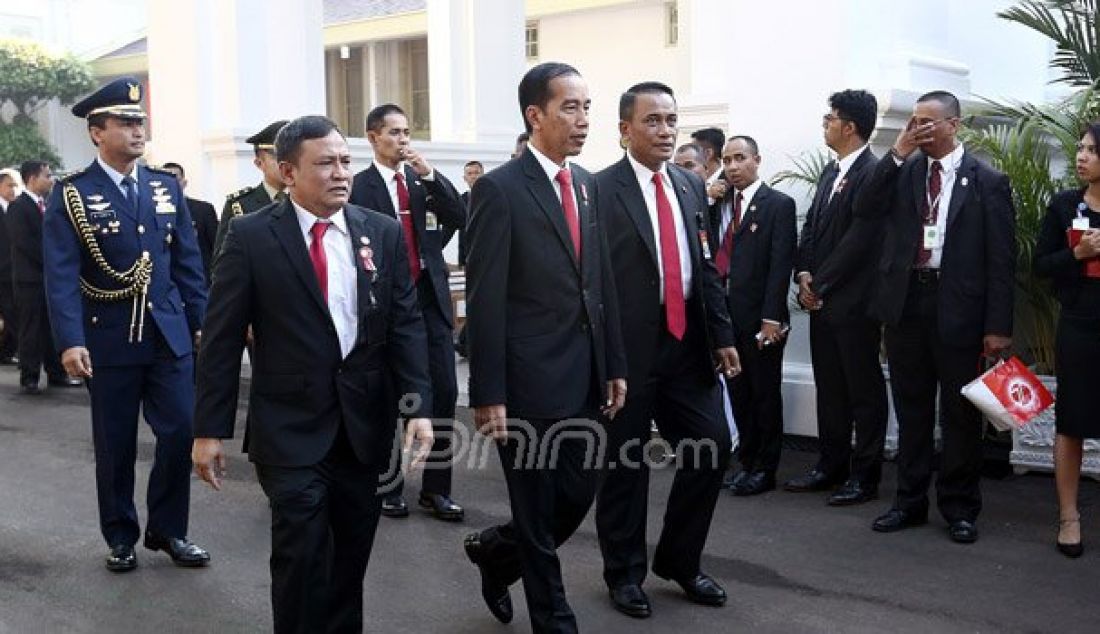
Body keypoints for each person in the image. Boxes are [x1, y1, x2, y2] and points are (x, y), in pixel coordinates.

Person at [192, 115, 435, 631]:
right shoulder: (252, 236)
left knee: (349, 559)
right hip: (289, 428)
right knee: (301, 555)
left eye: (345, 161)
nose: (340, 173)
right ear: (287, 171)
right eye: (324, 163)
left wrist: (418, 406)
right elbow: (221, 337)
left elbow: (406, 325)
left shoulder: (381, 233)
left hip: (363, 428)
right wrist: (209, 430)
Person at [463, 61, 627, 634]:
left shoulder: (586, 184)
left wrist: (613, 365)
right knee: (535, 512)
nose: (583, 120)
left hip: (584, 377)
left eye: (587, 107)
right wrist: (488, 393)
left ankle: (494, 552)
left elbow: (599, 282)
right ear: (535, 115)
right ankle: (553, 620)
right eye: (570, 108)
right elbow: (485, 299)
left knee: (575, 497)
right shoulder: (499, 191)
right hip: (525, 382)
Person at [42, 77, 209, 571]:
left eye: (141, 122)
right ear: (97, 132)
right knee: (116, 444)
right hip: (107, 337)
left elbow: (187, 265)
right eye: (126, 123)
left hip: (167, 334)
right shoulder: (72, 194)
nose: (138, 131)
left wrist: (202, 323)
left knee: (179, 432)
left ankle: (169, 529)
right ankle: (120, 534)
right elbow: (61, 274)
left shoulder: (162, 186)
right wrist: (70, 340)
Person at [595, 81, 739, 619]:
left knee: (712, 444)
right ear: (625, 129)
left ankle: (679, 560)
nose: (664, 130)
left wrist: (722, 335)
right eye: (651, 120)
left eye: (670, 120)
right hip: (628, 355)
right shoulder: (599, 190)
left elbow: (704, 267)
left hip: (686, 346)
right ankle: (624, 574)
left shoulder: (689, 185)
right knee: (625, 465)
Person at [858, 91, 1015, 544]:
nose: (920, 129)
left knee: (960, 414)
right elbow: (864, 207)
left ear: (955, 125)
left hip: (960, 309)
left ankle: (960, 507)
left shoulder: (987, 181)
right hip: (907, 304)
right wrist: (898, 151)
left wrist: (998, 327)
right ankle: (908, 501)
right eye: (914, 121)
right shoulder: (903, 172)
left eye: (929, 122)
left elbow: (1000, 261)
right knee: (911, 409)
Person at [349, 103, 467, 521]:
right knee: (389, 394)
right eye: (394, 133)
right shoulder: (359, 186)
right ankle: (389, 484)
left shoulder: (420, 183)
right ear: (373, 137)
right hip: (384, 304)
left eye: (406, 133)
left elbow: (460, 216)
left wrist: (431, 176)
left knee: (444, 391)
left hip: (428, 300)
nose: (402, 140)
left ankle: (437, 490)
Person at [785, 90, 888, 506]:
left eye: (830, 118)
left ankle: (865, 477)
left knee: (863, 391)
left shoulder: (872, 173)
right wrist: (804, 273)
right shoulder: (831, 172)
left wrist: (821, 283)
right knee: (830, 387)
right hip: (821, 298)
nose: (824, 124)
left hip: (855, 303)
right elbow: (812, 227)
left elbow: (859, 243)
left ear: (849, 127)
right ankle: (830, 465)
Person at [709, 136, 797, 496]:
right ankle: (746, 461)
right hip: (725, 317)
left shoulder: (778, 204)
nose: (732, 167)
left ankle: (765, 468)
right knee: (738, 392)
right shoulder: (717, 204)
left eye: (740, 158)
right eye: (727, 160)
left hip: (761, 318)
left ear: (757, 160)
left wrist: (772, 318)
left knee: (764, 393)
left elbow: (781, 265)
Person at [1032, 122, 1100, 558]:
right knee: (1072, 421)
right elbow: (1041, 265)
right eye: (1080, 148)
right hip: (1079, 323)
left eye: (1092, 150)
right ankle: (1069, 517)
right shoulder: (1063, 205)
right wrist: (1076, 255)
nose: (1081, 156)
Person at [8, 160, 79, 393]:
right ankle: (29, 376)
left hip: (47, 279)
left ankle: (56, 372)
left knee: (51, 328)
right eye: (47, 176)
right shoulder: (19, 207)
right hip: (30, 280)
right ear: (31, 178)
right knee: (31, 329)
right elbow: (26, 244)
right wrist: (54, 260)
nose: (52, 180)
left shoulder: (45, 204)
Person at [212, 120, 287, 256]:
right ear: (259, 163)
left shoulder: (310, 201)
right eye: (277, 156)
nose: (285, 163)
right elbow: (224, 262)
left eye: (291, 156)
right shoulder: (240, 206)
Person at [162, 162, 218, 287]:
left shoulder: (203, 210)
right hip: (168, 283)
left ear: (184, 182)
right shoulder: (153, 212)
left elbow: (216, 248)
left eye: (175, 178)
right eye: (166, 179)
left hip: (201, 281)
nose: (171, 183)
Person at [0, 168, 19, 364]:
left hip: (10, 270)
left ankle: (6, 352)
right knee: (11, 312)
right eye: (10, 185)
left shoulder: (13, 208)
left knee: (11, 311)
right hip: (2, 270)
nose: (14, 189)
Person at [691, 127, 726, 203]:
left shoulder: (729, 182)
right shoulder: (696, 182)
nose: (691, 153)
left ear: (708, 153)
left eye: (694, 150)